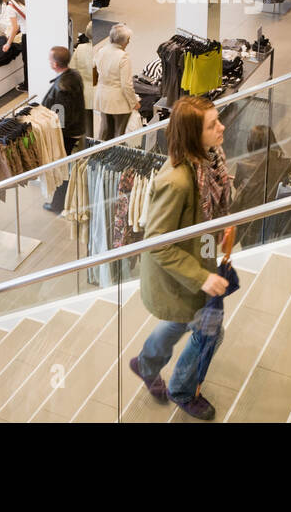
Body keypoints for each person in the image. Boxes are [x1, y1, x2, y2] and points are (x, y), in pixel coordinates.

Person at [130, 96, 231, 421]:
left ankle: (146, 363)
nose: (222, 127)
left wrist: (221, 228)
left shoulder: (208, 160)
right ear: (191, 135)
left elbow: (207, 209)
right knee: (210, 332)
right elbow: (157, 242)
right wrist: (203, 277)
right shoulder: (177, 181)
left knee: (185, 322)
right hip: (183, 274)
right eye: (212, 124)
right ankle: (183, 390)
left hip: (197, 260)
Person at [42, 45, 87, 214]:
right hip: (77, 127)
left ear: (54, 64)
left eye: (49, 59)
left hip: (67, 134)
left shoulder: (61, 89)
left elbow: (59, 120)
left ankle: (58, 204)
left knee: (62, 170)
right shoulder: (74, 76)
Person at [94, 23, 139, 140]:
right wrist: (134, 102)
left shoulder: (101, 51)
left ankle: (99, 153)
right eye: (128, 39)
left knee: (104, 130)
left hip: (102, 97)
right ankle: (114, 156)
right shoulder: (123, 57)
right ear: (123, 41)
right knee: (119, 134)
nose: (128, 42)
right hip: (118, 102)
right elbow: (126, 85)